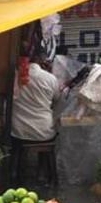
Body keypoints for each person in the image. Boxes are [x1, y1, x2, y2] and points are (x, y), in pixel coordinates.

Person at [10, 51, 62, 182]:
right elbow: (57, 99)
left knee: (17, 145)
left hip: (18, 132)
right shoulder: (50, 78)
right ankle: (43, 172)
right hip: (44, 132)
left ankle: (17, 175)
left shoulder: (14, 77)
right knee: (49, 135)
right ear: (40, 60)